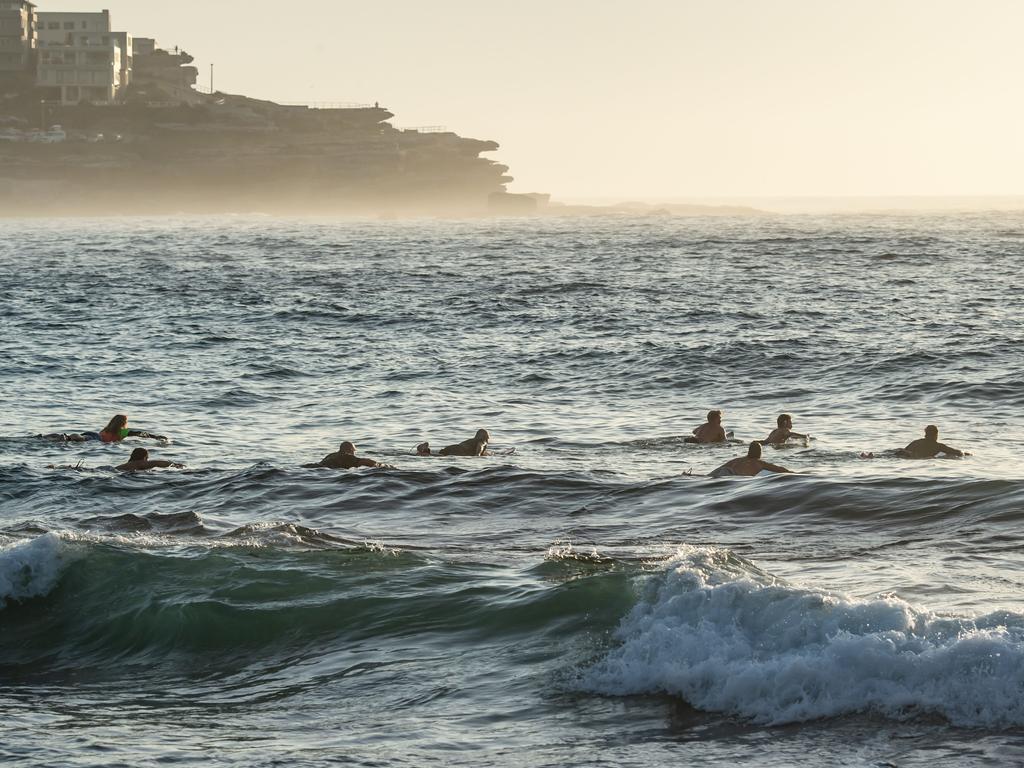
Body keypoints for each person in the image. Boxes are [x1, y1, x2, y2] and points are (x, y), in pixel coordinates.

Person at [40, 414, 166, 443]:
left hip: (93, 434)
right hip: (96, 439)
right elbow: (140, 434)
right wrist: (156, 437)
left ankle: (46, 436)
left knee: (80, 436)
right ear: (123, 423)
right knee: (81, 438)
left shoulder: (108, 428)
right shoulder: (122, 431)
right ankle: (66, 437)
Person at [710, 441, 792, 477]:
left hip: (725, 471)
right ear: (760, 452)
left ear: (749, 451)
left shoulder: (737, 460)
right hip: (735, 477)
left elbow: (718, 469)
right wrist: (793, 473)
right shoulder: (760, 463)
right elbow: (779, 469)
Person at [897, 425, 967, 459]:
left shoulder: (915, 442)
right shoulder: (939, 446)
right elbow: (958, 453)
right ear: (936, 434)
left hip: (910, 457)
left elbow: (904, 451)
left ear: (925, 433)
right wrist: (964, 453)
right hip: (923, 459)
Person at [305, 441, 380, 469]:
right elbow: (368, 462)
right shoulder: (348, 457)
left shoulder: (331, 455)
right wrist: (381, 465)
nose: (354, 453)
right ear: (350, 450)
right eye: (354, 451)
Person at [116, 447, 183, 472]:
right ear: (145, 457)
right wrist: (177, 465)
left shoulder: (121, 466)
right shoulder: (143, 463)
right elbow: (165, 463)